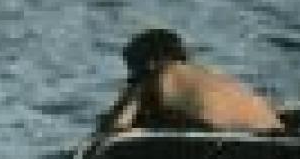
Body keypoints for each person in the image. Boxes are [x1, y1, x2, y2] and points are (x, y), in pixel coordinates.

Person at [94, 28, 286, 136]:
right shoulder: (210, 76)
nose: (130, 78)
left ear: (150, 63)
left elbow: (116, 127)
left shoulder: (156, 74)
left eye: (132, 68)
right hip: (273, 131)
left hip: (234, 141)